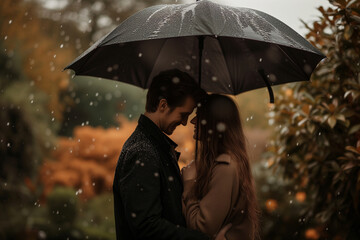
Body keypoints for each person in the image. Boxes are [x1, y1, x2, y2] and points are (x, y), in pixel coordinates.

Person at [113, 69, 230, 240]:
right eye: (183, 115)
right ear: (163, 105)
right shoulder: (142, 153)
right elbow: (147, 227)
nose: (184, 123)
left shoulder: (155, 147)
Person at [182, 93, 260, 240]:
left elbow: (201, 228)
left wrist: (189, 184)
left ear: (212, 123)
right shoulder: (225, 162)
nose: (193, 121)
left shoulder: (225, 168)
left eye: (199, 115)